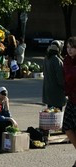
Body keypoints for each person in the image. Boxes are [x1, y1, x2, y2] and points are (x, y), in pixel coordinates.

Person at [62, 36, 76, 167]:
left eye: (72, 47)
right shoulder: (66, 60)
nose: (69, 50)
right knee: (66, 126)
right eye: (67, 47)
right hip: (72, 98)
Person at [42, 40, 66, 110]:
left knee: (50, 114)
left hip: (47, 92)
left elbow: (44, 73)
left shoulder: (46, 58)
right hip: (56, 93)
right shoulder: (57, 60)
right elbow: (60, 79)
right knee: (56, 115)